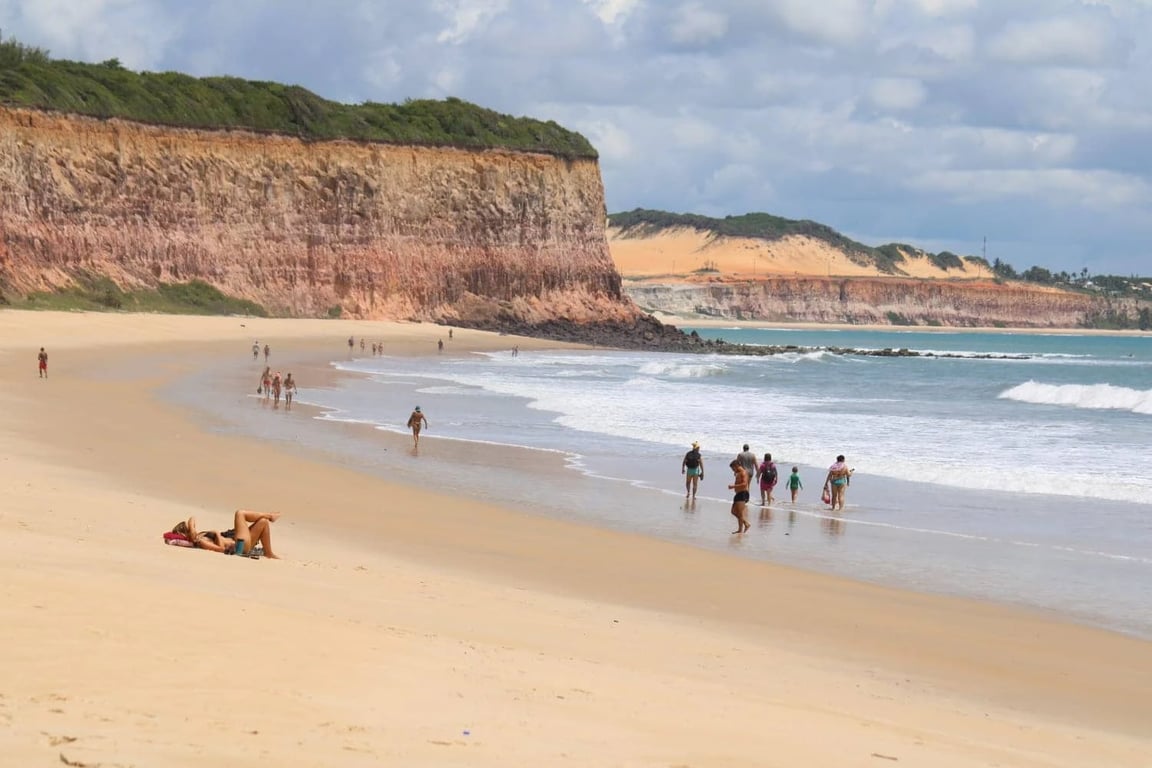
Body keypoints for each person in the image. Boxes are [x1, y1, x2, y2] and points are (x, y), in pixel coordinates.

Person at [172, 509, 281, 559]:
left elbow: (192, 519)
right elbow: (220, 549)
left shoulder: (199, 536)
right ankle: (270, 516)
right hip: (239, 546)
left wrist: (191, 530)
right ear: (186, 534)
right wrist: (217, 535)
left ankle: (268, 553)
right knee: (240, 513)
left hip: (241, 543)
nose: (193, 529)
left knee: (263, 522)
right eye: (188, 529)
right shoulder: (201, 541)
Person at [728, 460, 751, 534]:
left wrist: (733, 486)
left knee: (740, 513)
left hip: (743, 494)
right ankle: (744, 525)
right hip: (738, 494)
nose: (733, 470)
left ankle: (742, 527)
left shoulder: (743, 472)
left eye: (733, 468)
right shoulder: (738, 473)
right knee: (734, 511)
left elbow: (744, 484)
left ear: (736, 466)